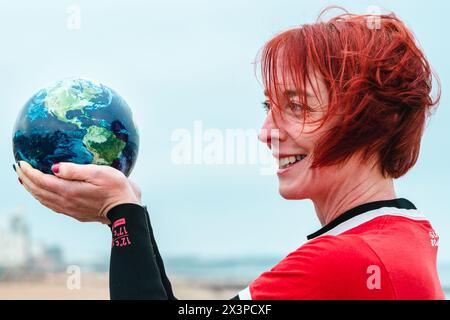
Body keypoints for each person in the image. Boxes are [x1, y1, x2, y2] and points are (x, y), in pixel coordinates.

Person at [14, 10, 445, 299]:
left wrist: (120, 213)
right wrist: (127, 212)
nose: (266, 133)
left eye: (296, 106)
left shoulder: (345, 261)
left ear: (371, 121)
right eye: (268, 108)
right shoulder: (408, 235)